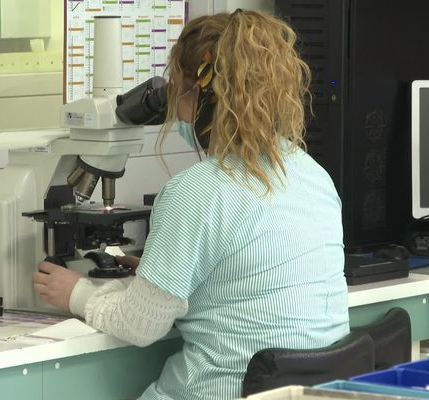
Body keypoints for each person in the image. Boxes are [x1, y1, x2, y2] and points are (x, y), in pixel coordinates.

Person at [32, 9, 350, 399]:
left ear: (200, 96)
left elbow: (140, 325)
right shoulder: (313, 174)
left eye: (176, 90)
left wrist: (75, 292)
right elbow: (244, 288)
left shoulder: (197, 191)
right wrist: (159, 276)